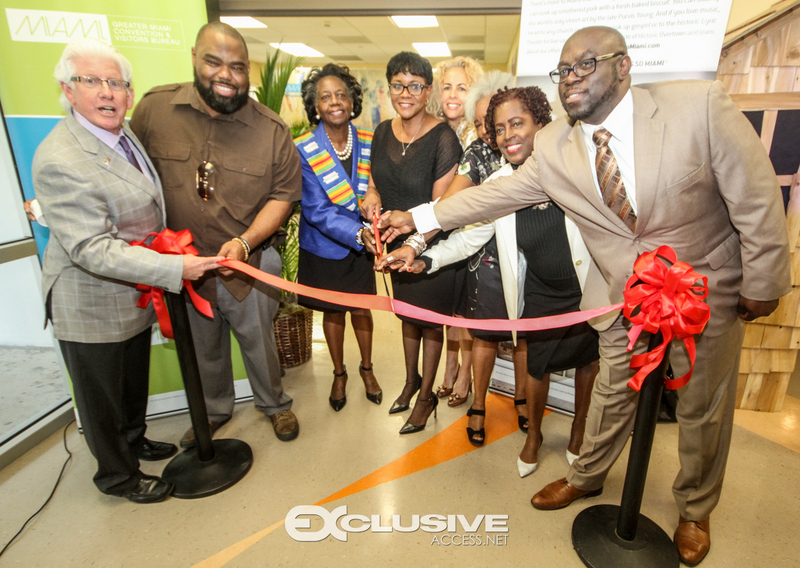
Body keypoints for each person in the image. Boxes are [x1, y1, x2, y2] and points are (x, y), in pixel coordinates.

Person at [378, 26, 791, 566]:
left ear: (623, 66)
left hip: (704, 290)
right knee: (611, 395)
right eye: (563, 70)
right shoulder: (555, 147)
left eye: (584, 65)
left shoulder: (698, 105)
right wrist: (420, 218)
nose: (570, 78)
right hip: (620, 299)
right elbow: (496, 195)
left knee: (701, 407)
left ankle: (694, 508)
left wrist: (763, 281)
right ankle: (586, 477)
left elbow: (755, 196)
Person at [32, 39, 221, 503]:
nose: (106, 92)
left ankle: (135, 440)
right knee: (102, 395)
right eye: (91, 81)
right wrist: (174, 265)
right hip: (90, 297)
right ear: (67, 89)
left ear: (129, 93)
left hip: (135, 287)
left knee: (132, 379)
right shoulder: (61, 158)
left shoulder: (121, 132)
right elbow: (92, 249)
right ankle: (117, 476)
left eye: (116, 83)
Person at [381, 87, 599, 470]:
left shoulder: (574, 167)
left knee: (587, 363)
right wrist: (424, 259)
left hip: (588, 289)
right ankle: (533, 437)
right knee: (537, 367)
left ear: (541, 125)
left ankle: (579, 430)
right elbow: (468, 237)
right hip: (541, 291)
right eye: (499, 129)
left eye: (518, 124)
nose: (508, 135)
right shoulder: (499, 183)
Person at [130, 22, 303, 447]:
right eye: (213, 61)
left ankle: (275, 405)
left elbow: (282, 197)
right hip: (184, 267)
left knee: (260, 343)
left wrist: (246, 243)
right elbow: (131, 177)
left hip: (250, 264)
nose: (226, 75)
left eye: (238, 67)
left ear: (248, 73)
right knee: (203, 347)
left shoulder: (271, 130)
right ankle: (213, 411)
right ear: (194, 58)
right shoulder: (155, 110)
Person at [360, 51, 462, 434]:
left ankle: (426, 397)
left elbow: (440, 208)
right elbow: (374, 182)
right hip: (394, 239)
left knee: (430, 322)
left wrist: (415, 246)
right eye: (398, 85)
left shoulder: (443, 138)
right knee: (406, 315)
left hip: (430, 244)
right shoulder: (383, 131)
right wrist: (371, 197)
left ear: (427, 91)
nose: (406, 93)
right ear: (389, 90)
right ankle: (410, 380)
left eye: (415, 86)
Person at [295, 63, 382, 411]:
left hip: (361, 246)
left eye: (341, 94)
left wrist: (374, 191)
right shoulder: (303, 148)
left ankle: (366, 368)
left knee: (362, 310)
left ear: (351, 101)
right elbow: (315, 209)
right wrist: (359, 233)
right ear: (315, 106)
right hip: (325, 246)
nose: (334, 102)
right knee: (333, 314)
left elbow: (376, 181)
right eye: (325, 97)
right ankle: (339, 373)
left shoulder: (370, 139)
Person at [426, 56, 485, 409]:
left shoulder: (475, 131)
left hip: (473, 233)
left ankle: (465, 374)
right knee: (449, 308)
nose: (452, 94)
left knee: (465, 310)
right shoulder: (439, 131)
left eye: (461, 87)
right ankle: (449, 366)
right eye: (447, 86)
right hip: (442, 230)